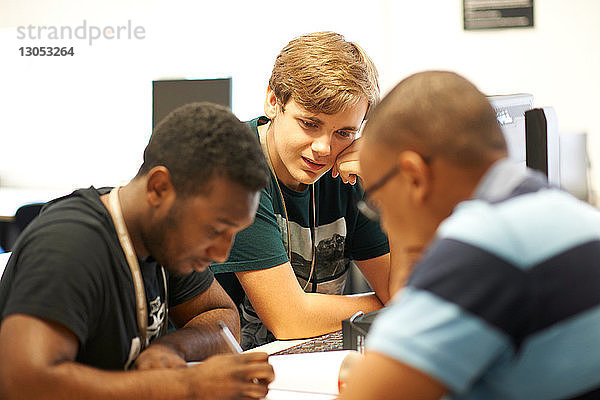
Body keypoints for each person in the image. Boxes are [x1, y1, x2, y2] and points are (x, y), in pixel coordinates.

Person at [340, 71, 600, 399]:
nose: (386, 224)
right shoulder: (572, 215)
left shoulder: (483, 245)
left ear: (414, 177)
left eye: (377, 202)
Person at [0, 103, 275, 400]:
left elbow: (221, 317)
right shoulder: (68, 245)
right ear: (159, 188)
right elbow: (22, 381)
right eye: (216, 229)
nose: (222, 253)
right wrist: (188, 386)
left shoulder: (162, 238)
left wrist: (172, 348)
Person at [211, 31, 401, 350]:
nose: (324, 149)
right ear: (273, 102)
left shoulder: (351, 169)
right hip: (215, 370)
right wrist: (392, 309)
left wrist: (392, 192)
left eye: (344, 132)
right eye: (310, 124)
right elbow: (290, 319)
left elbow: (405, 292)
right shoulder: (234, 167)